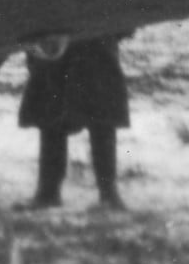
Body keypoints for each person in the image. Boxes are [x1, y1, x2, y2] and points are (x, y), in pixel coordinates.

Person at [19, 33, 130, 210]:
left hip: (96, 43)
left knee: (102, 117)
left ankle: (109, 194)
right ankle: (48, 192)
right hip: (53, 41)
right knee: (51, 116)